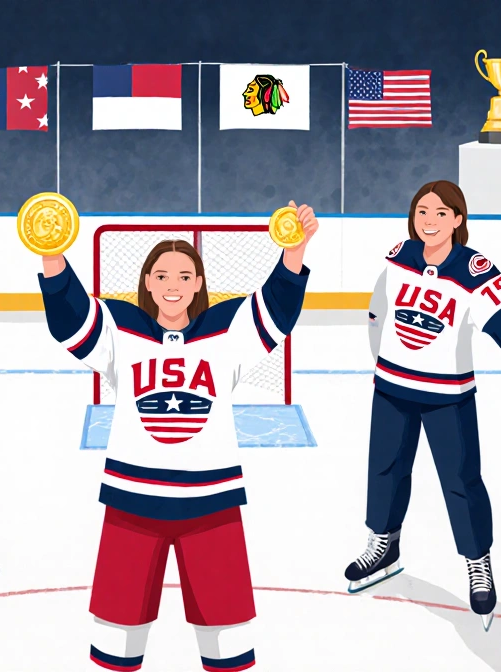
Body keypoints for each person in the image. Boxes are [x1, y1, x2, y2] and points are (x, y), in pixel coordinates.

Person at [39, 202, 317, 672]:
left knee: (226, 637)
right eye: (163, 275)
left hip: (212, 503)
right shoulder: (121, 328)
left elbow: (276, 310)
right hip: (132, 501)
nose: (173, 285)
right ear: (147, 282)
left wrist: (295, 251)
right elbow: (71, 318)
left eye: (185, 276)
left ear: (200, 284)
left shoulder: (226, 329)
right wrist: (50, 252)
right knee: (117, 632)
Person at [344, 180, 501, 631]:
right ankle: (383, 543)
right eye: (421, 212)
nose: (428, 221)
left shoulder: (474, 270)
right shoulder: (398, 257)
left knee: (462, 481)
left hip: (447, 396)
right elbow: (378, 311)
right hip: (392, 387)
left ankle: (478, 561)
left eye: (439, 213)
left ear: (458, 219)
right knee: (385, 468)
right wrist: (383, 358)